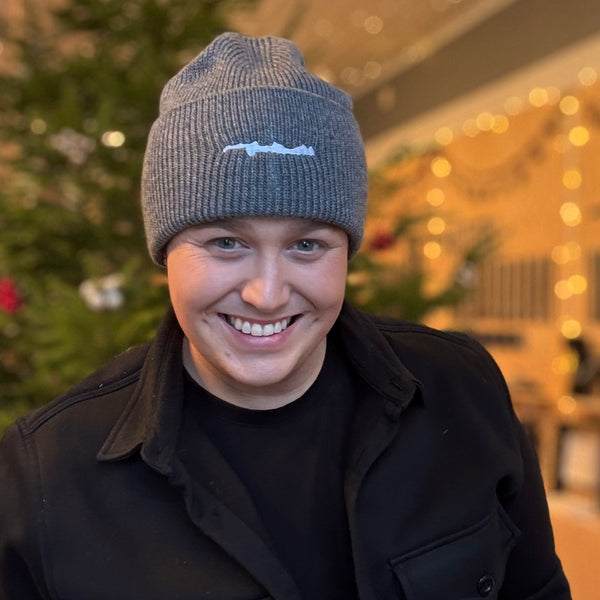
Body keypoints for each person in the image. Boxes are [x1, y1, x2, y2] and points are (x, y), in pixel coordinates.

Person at [0, 32, 571, 599]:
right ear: (165, 253)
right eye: (226, 242)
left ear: (346, 252)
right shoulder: (48, 470)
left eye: (307, 245)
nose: (267, 295)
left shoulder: (462, 390)